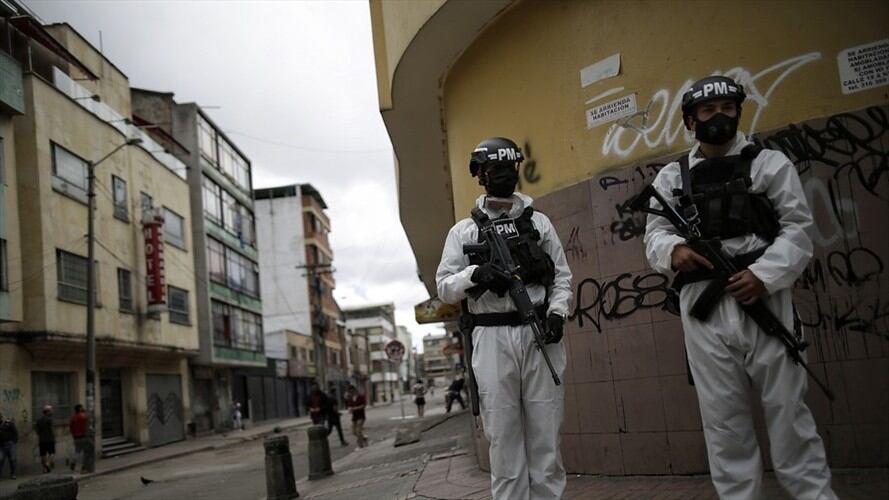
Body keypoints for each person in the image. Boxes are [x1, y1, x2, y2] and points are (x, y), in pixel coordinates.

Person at [643, 75, 837, 500]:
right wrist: (673, 250)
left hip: (765, 298)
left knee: (789, 413)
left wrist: (764, 274)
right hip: (705, 306)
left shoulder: (769, 164)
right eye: (708, 111)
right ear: (691, 120)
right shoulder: (671, 178)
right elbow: (654, 233)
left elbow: (799, 229)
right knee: (723, 421)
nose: (719, 118)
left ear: (738, 112)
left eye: (727, 109)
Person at [436, 137, 572, 500]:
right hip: (492, 339)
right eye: (495, 169)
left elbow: (562, 277)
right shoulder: (463, 232)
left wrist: (558, 314)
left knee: (546, 439)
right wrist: (475, 275)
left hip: (539, 333)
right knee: (504, 443)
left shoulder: (539, 223)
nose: (503, 176)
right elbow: (444, 288)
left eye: (509, 168)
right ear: (479, 174)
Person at [35, 405, 56, 473]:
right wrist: (54, 436)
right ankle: (48, 464)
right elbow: (51, 429)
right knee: (51, 453)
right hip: (50, 439)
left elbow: (37, 430)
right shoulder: (50, 419)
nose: (52, 412)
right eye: (51, 410)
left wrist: (41, 434)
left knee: (43, 454)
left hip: (42, 440)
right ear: (48, 411)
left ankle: (44, 469)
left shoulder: (39, 420)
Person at [68, 404, 88, 473]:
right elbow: (87, 422)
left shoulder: (73, 417)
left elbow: (70, 427)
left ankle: (73, 462)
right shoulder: (82, 416)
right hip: (83, 436)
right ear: (79, 409)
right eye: (82, 408)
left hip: (76, 437)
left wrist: (73, 434)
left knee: (77, 451)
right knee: (86, 452)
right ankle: (83, 468)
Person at [0, 411, 18, 479]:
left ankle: (13, 474)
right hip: (2, 445)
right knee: (0, 460)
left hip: (10, 444)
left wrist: (13, 441)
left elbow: (15, 432)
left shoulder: (8, 423)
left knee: (12, 459)